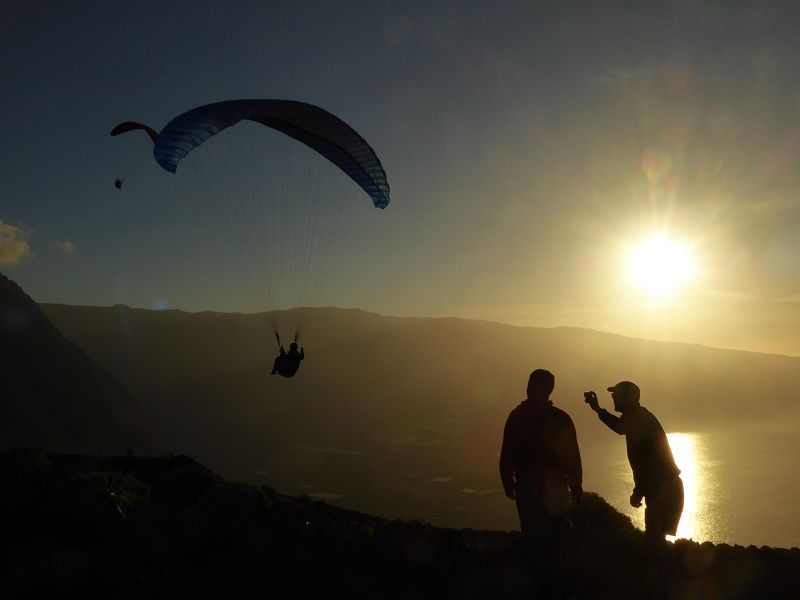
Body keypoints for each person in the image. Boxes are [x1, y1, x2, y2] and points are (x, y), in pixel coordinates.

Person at [584, 381, 683, 541]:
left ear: (627, 398)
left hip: (662, 488)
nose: (614, 398)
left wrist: (638, 492)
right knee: (657, 542)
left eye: (616, 395)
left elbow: (648, 463)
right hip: (667, 487)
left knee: (654, 543)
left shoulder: (638, 419)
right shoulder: (641, 416)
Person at [500, 369, 583, 544]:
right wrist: (576, 485)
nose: (528, 388)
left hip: (528, 483)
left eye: (531, 384)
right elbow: (572, 456)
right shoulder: (561, 418)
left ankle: (537, 565)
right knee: (554, 532)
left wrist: (507, 479)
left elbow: (507, 451)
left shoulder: (518, 416)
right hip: (555, 485)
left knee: (532, 531)